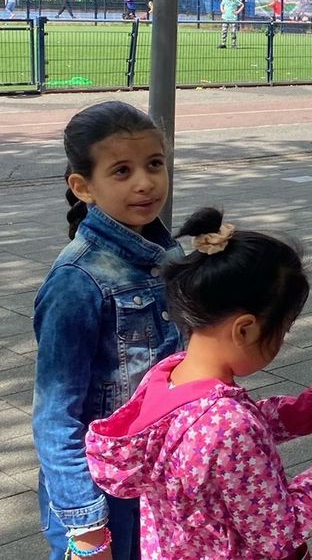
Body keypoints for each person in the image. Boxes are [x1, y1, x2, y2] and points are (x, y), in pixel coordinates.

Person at [86, 207, 312, 560]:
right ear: (245, 329)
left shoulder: (170, 375)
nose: (282, 341)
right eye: (283, 330)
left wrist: (310, 408)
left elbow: (225, 441)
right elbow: (279, 530)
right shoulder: (229, 425)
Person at [32, 101, 184, 560]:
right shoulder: (78, 282)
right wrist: (86, 525)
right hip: (103, 496)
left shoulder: (165, 255)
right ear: (83, 187)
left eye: (154, 164)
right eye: (121, 171)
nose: (145, 182)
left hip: (159, 475)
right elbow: (56, 415)